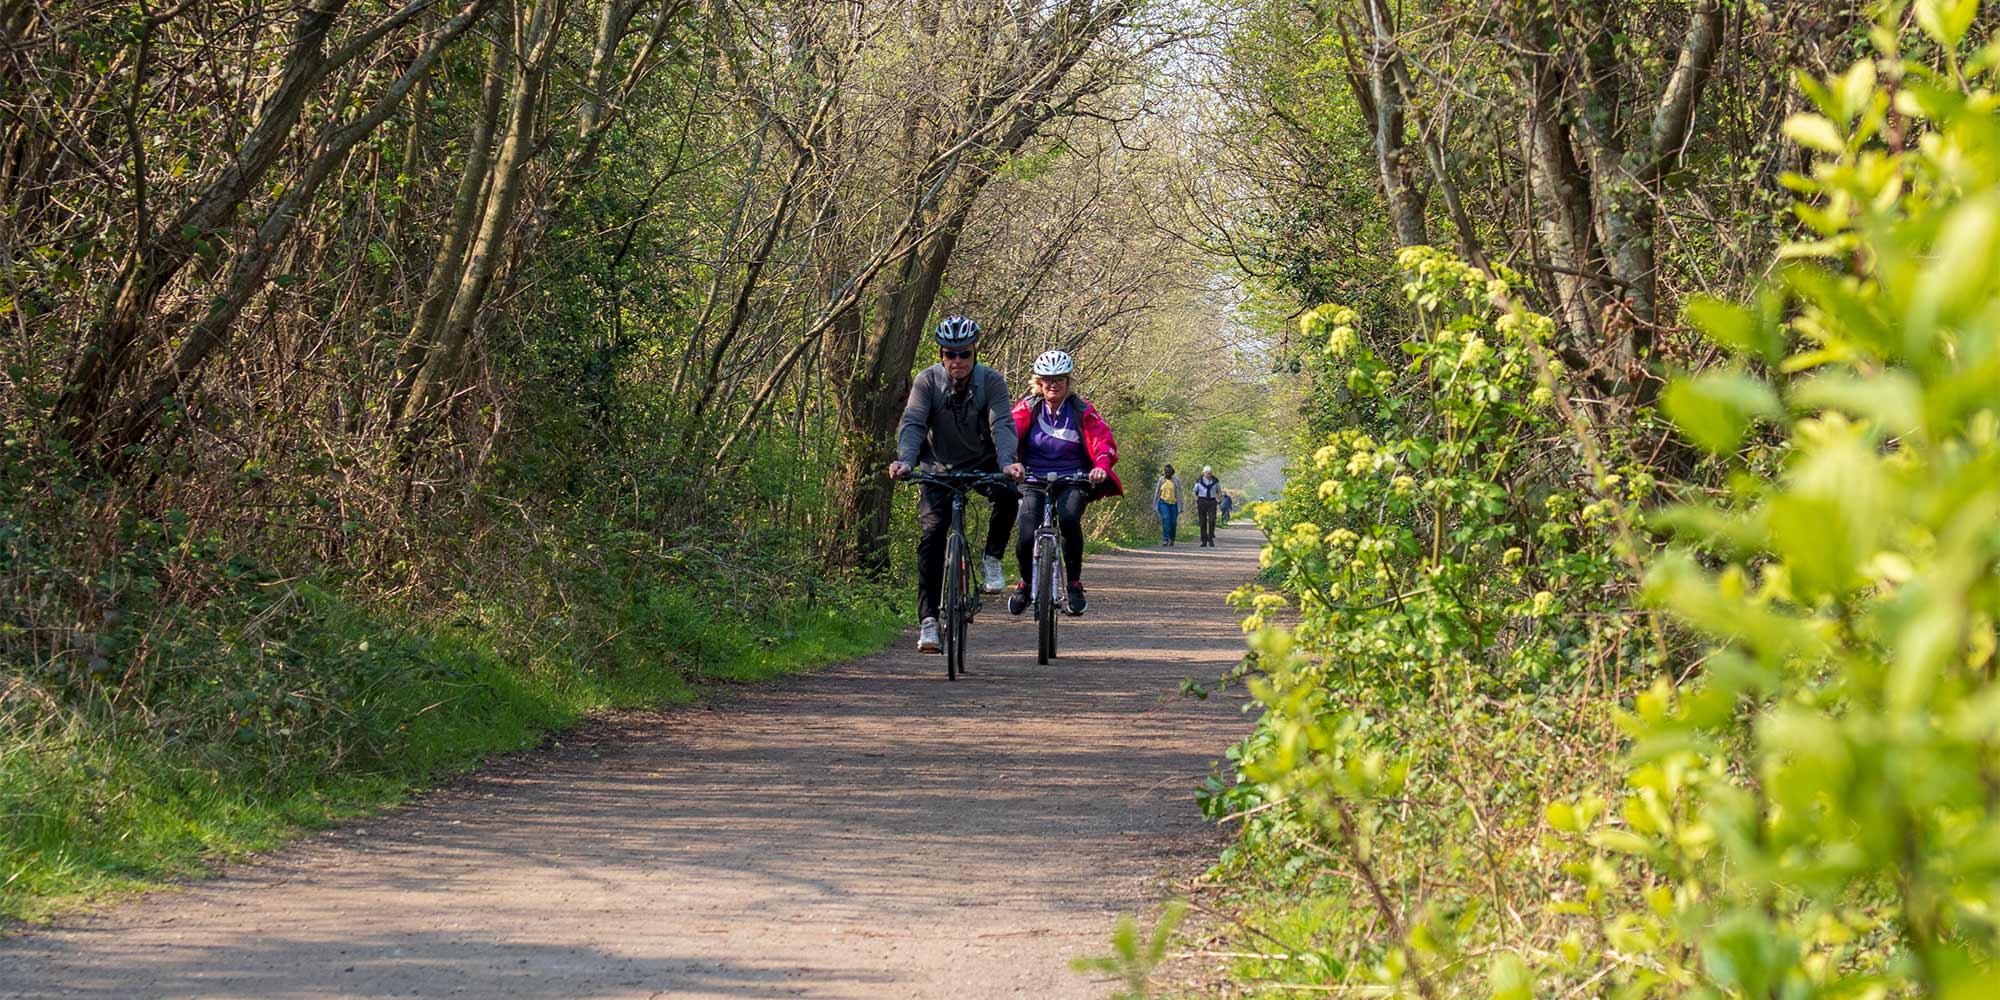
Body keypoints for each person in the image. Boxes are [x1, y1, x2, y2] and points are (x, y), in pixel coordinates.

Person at [887, 315, 1025, 653]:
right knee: (932, 536)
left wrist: (1008, 462)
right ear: (941, 354)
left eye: (964, 354)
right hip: (938, 468)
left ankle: (991, 558)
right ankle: (929, 621)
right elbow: (913, 423)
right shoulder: (927, 381)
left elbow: (1003, 424)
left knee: (1009, 495)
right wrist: (906, 460)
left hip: (983, 463)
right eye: (951, 354)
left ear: (974, 352)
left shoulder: (991, 381)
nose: (958, 361)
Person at [1005, 349, 1121, 617]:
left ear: (1068, 382)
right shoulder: (1028, 408)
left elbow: (1102, 441)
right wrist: (1012, 463)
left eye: (1059, 379)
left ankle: (1074, 584)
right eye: (1047, 379)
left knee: (1069, 518)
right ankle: (1025, 582)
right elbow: (1007, 435)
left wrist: (1101, 468)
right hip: (1033, 477)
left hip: (1073, 477)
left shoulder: (1082, 410)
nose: (1053, 384)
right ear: (1039, 382)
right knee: (1025, 530)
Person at [1192, 466, 1222, 546]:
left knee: (1212, 520)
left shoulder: (1215, 481)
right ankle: (1204, 540)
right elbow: (1194, 491)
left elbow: (1219, 491)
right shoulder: (1199, 481)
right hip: (1202, 501)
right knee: (1203, 521)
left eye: (1210, 473)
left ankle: (1210, 538)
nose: (1209, 475)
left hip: (1212, 501)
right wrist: (1196, 499)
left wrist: (1218, 498)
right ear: (1204, 473)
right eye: (1208, 473)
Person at [1155, 465, 1180, 546]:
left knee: (1173, 522)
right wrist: (1155, 504)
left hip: (1174, 504)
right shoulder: (1161, 480)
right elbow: (1157, 492)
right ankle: (1165, 539)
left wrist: (1180, 506)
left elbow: (1179, 494)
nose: (1167, 473)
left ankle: (1172, 538)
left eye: (1168, 472)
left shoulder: (1176, 480)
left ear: (1172, 472)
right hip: (1163, 502)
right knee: (1166, 519)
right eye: (1165, 472)